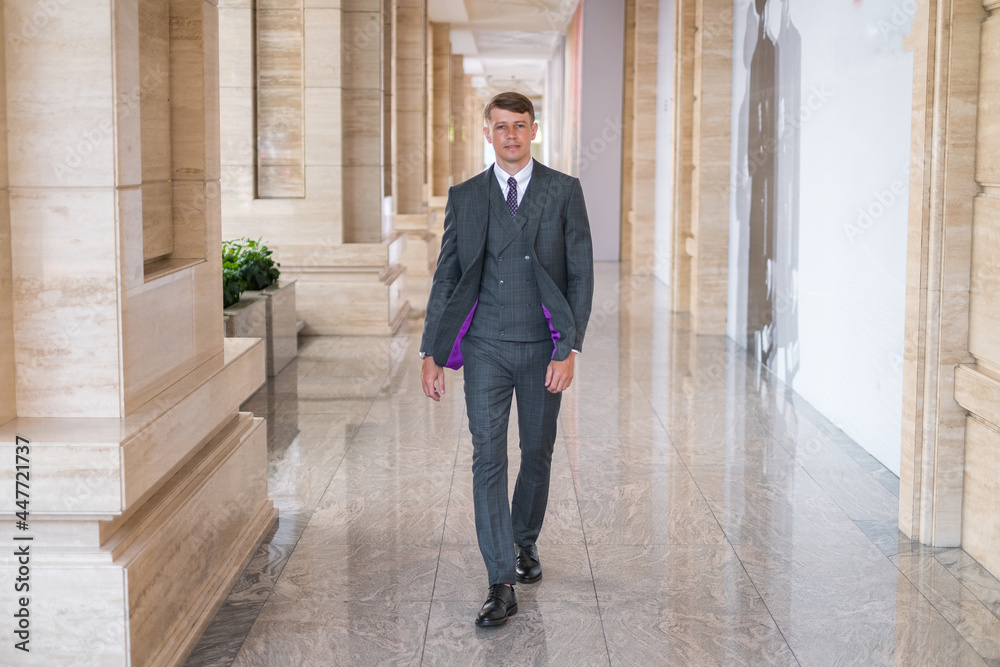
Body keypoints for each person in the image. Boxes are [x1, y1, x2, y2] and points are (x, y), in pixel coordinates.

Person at [420, 91, 594, 628]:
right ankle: (500, 579)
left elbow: (581, 273)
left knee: (537, 452)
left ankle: (523, 540)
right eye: (501, 127)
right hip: (485, 347)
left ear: (533, 130)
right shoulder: (466, 196)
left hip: (542, 346)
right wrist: (432, 348)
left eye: (520, 125)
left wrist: (569, 348)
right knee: (488, 457)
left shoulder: (563, 191)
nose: (511, 135)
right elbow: (447, 275)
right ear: (488, 133)